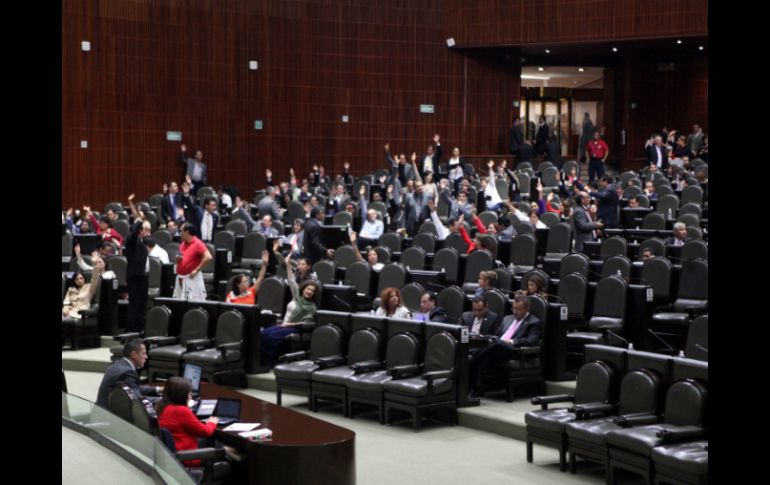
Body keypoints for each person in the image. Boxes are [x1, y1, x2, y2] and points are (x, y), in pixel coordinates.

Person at [469, 295, 542, 397]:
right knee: (485, 354)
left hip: (514, 351)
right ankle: (476, 389)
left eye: (518, 309)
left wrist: (511, 341)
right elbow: (497, 335)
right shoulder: (507, 318)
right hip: (497, 348)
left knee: (496, 343)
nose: (515, 311)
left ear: (526, 309)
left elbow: (532, 341)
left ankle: (472, 353)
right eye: (513, 308)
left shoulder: (533, 322)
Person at [260, 253, 321, 366]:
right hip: (284, 324)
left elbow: (305, 323)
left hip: (294, 328)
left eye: (312, 291)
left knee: (271, 338)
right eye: (308, 289)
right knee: (263, 333)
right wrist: (288, 264)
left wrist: (288, 324)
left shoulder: (312, 307)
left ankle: (268, 362)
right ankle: (260, 360)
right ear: (303, 289)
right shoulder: (296, 295)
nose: (309, 292)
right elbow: (292, 279)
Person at [156, 376, 218, 466]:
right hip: (188, 457)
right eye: (188, 394)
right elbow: (205, 431)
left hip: (174, 452)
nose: (190, 396)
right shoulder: (180, 410)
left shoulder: (161, 406)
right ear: (181, 395)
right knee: (216, 441)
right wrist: (212, 422)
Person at [96, 339, 161, 408]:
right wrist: (163, 400)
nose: (146, 357)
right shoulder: (126, 372)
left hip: (103, 410)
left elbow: (134, 388)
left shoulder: (119, 364)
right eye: (143, 353)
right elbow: (138, 400)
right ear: (134, 354)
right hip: (109, 416)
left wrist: (159, 389)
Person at [125, 194, 152, 332]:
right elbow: (133, 231)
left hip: (143, 277)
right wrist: (138, 219)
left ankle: (140, 328)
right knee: (135, 304)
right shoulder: (131, 241)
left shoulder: (141, 243)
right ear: (139, 231)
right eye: (144, 230)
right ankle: (131, 330)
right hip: (135, 277)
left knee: (142, 304)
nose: (147, 233)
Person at [173, 223, 212, 301]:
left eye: (181, 231)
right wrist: (178, 260)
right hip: (181, 279)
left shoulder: (198, 243)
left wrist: (197, 270)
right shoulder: (182, 244)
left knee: (194, 305)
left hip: (192, 279)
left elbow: (208, 257)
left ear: (187, 232)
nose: (179, 233)